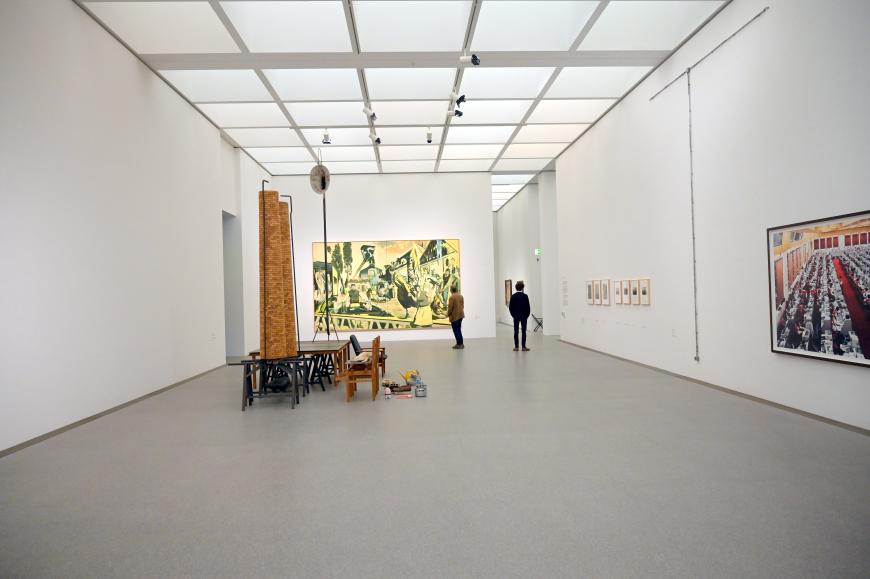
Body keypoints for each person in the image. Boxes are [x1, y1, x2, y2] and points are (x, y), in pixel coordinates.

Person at [509, 281, 531, 352]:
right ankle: (523, 347)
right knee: (524, 332)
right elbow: (528, 308)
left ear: (516, 287)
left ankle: (516, 347)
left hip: (516, 316)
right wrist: (526, 315)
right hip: (524, 316)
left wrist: (513, 315)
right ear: (522, 288)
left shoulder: (513, 296)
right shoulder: (525, 296)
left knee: (516, 331)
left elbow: (510, 308)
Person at [447, 285, 465, 349]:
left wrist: (448, 314)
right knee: (459, 330)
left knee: (456, 331)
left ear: (451, 290)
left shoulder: (452, 297)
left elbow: (450, 308)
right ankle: (461, 343)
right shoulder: (461, 296)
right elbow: (462, 305)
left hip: (455, 317)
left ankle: (459, 344)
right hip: (460, 315)